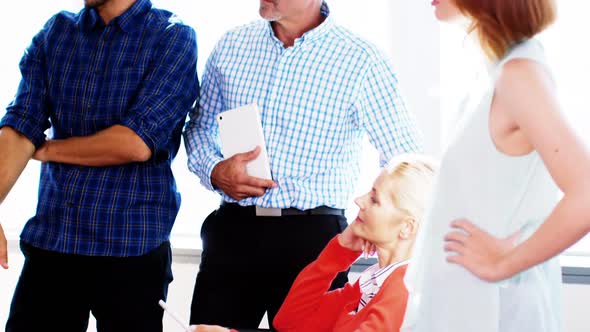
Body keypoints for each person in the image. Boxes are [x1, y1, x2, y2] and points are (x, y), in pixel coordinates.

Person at [183, 0, 423, 328]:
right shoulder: (231, 45)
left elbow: (405, 159)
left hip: (312, 237)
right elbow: (198, 127)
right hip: (233, 231)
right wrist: (214, 170)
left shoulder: (361, 60)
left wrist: (381, 224)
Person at [0, 0, 198, 331]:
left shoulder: (171, 37)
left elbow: (135, 143)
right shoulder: (56, 32)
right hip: (54, 241)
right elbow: (21, 123)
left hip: (131, 250)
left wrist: (45, 149)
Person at [402, 1, 590, 332]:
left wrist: (505, 263)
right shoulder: (493, 72)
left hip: (493, 311)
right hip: (459, 307)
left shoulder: (519, 74)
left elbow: (585, 194)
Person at [189, 154, 437, 332]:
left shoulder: (402, 289)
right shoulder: (372, 282)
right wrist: (337, 253)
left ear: (407, 227)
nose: (359, 200)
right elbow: (290, 323)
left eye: (374, 199)